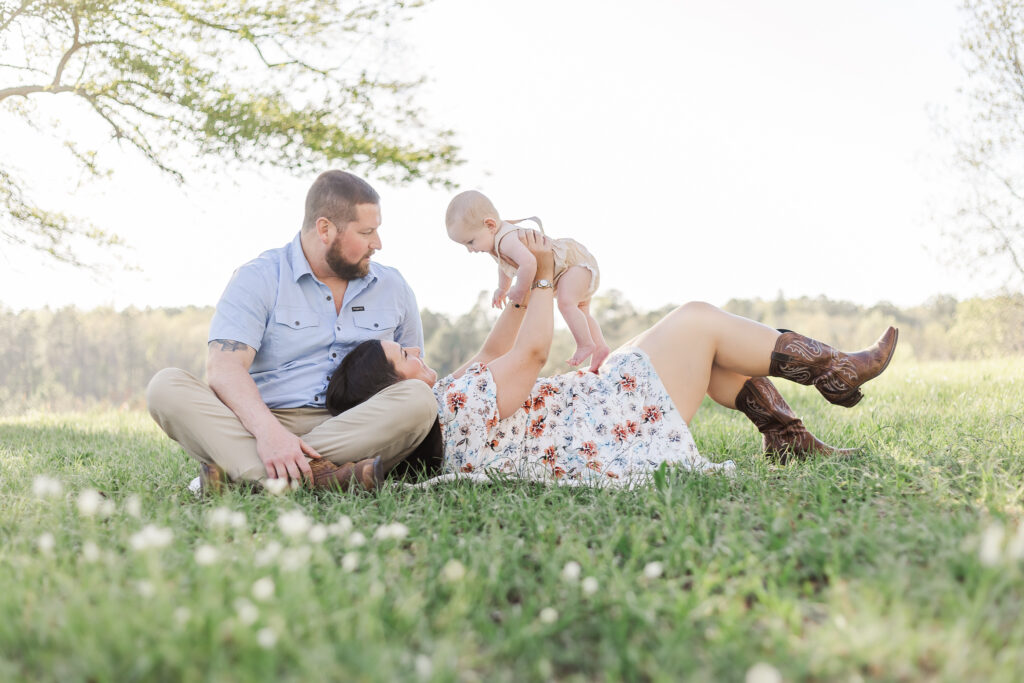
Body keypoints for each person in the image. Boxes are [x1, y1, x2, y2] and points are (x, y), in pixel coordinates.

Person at [326, 231, 898, 485]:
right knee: (698, 318)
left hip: (593, 410)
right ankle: (835, 369)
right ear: (392, 391)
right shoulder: (447, 406)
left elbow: (495, 350)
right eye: (403, 356)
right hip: (610, 423)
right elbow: (528, 353)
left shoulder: (445, 409)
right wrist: (548, 275)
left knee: (714, 353)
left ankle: (787, 438)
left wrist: (519, 284)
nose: (413, 350)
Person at [146, 170, 438, 492]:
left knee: (419, 399)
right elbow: (224, 368)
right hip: (260, 422)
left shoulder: (393, 286)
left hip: (357, 426)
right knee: (165, 387)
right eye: (366, 232)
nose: (377, 244)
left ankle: (249, 475)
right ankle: (324, 477)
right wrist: (269, 433)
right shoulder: (258, 277)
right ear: (324, 229)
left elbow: (415, 369)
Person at [445, 190, 611, 372]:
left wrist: (519, 289)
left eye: (470, 242)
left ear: (490, 224)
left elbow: (529, 263)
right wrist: (502, 288)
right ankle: (600, 347)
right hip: (569, 270)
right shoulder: (498, 242)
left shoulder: (506, 240)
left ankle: (585, 344)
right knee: (581, 311)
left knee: (566, 304)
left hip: (573, 265)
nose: (470, 250)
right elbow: (504, 265)